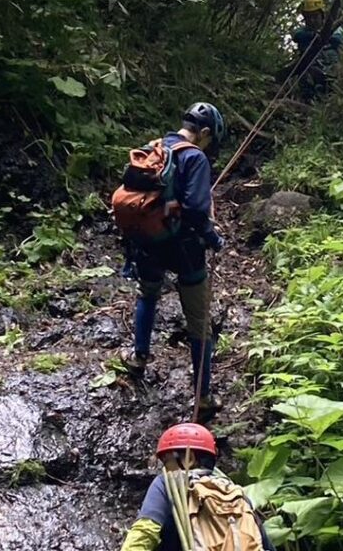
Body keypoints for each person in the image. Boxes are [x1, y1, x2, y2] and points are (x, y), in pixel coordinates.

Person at [118, 102, 226, 421]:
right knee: (199, 319)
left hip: (148, 241)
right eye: (209, 139)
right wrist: (214, 239)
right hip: (185, 248)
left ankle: (138, 358)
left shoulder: (153, 148)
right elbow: (196, 210)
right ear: (203, 132)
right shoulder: (195, 157)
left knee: (148, 294)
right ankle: (203, 396)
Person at [120, 423, 276, 551]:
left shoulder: (167, 483)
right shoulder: (236, 495)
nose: (165, 469)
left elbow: (145, 531)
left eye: (167, 462)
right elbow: (263, 544)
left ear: (189, 458)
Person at [286, 0, 343, 101]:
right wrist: (313, 36)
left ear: (322, 15)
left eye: (315, 16)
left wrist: (324, 36)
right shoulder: (303, 32)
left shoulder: (334, 29)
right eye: (308, 17)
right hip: (310, 70)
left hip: (332, 71)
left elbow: (339, 40)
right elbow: (297, 36)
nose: (312, 20)